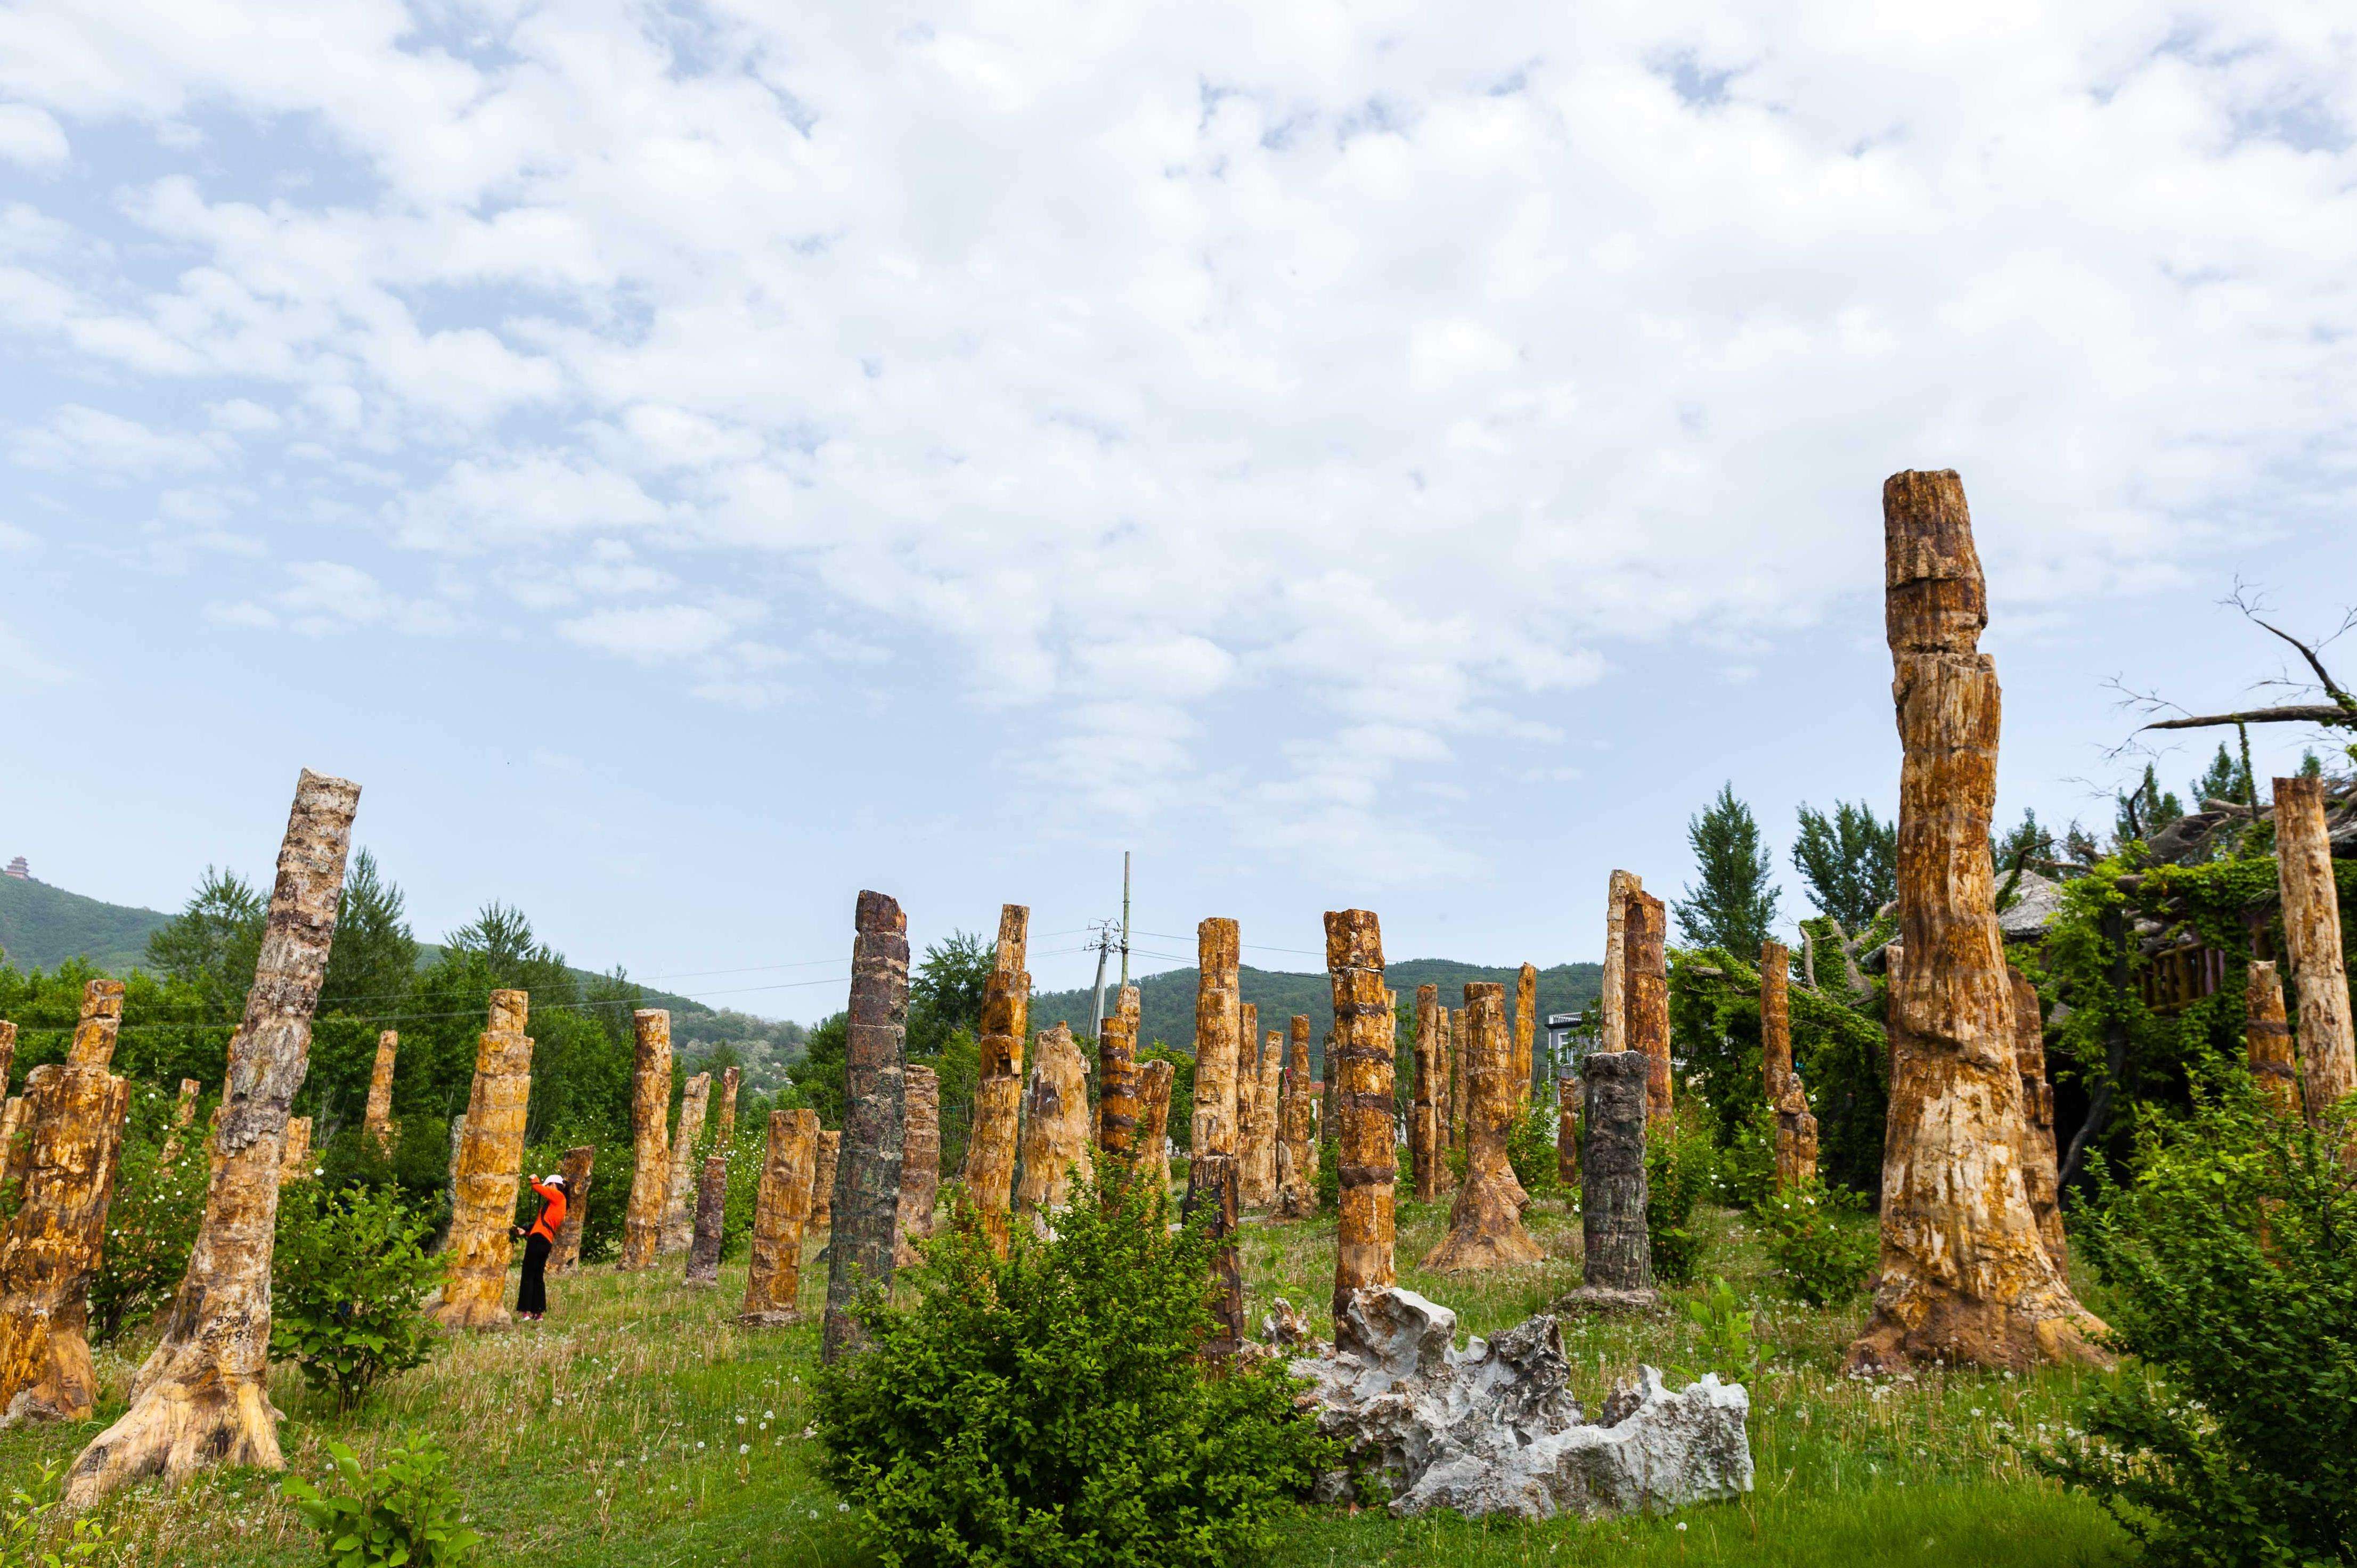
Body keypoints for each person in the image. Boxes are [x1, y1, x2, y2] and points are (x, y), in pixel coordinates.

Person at [513, 1171, 567, 1321]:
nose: (547, 1189)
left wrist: (535, 1180)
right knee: (538, 1277)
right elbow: (542, 1224)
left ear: (554, 1185)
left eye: (549, 1185)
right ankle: (538, 1313)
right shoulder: (556, 1205)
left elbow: (539, 1189)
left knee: (528, 1275)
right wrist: (526, 1231)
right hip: (545, 1241)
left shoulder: (559, 1197)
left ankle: (525, 1312)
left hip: (538, 1240)